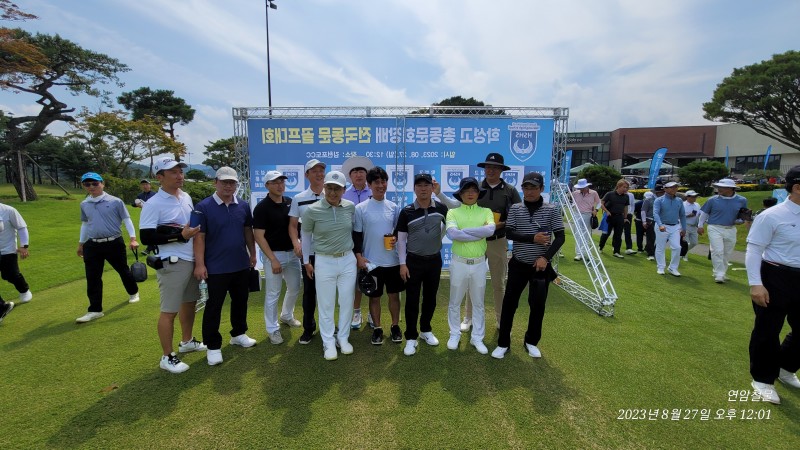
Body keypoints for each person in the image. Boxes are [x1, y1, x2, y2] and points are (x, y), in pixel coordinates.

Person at [436, 153, 520, 332]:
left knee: (498, 283)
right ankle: (468, 318)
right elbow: (455, 206)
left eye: (495, 167)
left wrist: (498, 225)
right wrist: (439, 194)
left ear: (501, 170)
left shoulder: (510, 190)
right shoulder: (475, 187)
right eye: (488, 167)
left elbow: (516, 215)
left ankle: (501, 319)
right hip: (473, 243)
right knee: (470, 281)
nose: (491, 170)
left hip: (497, 241)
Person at [140, 157, 206, 374]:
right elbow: (146, 237)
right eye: (173, 172)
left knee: (189, 302)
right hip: (172, 261)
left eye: (180, 171)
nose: (179, 176)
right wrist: (180, 235)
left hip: (190, 259)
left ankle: (186, 341)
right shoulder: (153, 203)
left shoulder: (186, 196)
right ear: (159, 177)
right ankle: (167, 356)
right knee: (169, 310)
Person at [492, 172, 565, 359]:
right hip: (518, 264)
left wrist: (545, 258)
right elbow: (509, 233)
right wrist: (533, 238)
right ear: (522, 189)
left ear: (541, 189)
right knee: (509, 303)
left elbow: (560, 237)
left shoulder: (551, 209)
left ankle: (531, 341)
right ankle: (503, 343)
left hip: (540, 267)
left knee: (537, 305)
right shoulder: (516, 208)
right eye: (526, 187)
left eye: (534, 188)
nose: (530, 191)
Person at [745, 165, 800, 405]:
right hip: (775, 276)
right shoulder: (772, 215)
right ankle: (763, 380)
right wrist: (755, 284)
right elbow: (754, 250)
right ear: (797, 187)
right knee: (768, 329)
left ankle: (786, 368)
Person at [193, 167, 258, 366]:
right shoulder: (203, 207)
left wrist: (253, 253)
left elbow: (248, 231)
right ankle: (213, 346)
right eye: (224, 182)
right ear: (216, 183)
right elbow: (199, 237)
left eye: (232, 183)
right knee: (214, 306)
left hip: (240, 264)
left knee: (240, 301)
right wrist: (200, 264)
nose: (229, 186)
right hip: (215, 267)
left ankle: (238, 333)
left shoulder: (243, 206)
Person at [301, 170, 357, 361]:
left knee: (347, 301)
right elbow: (305, 237)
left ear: (344, 190)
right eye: (330, 188)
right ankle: (328, 342)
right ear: (324, 188)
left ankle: (343, 338)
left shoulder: (350, 207)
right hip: (324, 260)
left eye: (337, 189)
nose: (333, 192)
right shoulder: (312, 210)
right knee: (326, 304)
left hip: (348, 259)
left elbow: (354, 231)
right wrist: (306, 261)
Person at [75, 172, 140, 323]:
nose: (91, 187)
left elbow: (126, 220)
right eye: (87, 184)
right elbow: (85, 224)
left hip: (114, 242)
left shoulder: (116, 201)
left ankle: (133, 292)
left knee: (123, 270)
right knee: (92, 277)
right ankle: (95, 310)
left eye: (95, 183)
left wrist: (133, 239)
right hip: (92, 244)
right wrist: (81, 243)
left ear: (102, 184)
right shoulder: (84, 204)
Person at [396, 173, 448, 356]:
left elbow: (454, 217)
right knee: (412, 299)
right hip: (413, 261)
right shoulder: (407, 211)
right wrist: (402, 264)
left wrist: (441, 194)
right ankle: (411, 336)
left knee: (430, 298)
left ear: (432, 188)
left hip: (434, 260)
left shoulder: (441, 208)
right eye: (419, 185)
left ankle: (426, 329)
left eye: (427, 185)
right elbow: (401, 240)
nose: (423, 188)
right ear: (414, 188)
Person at [353, 167, 404, 345]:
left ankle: (395, 326)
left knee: (394, 296)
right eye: (376, 182)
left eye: (383, 182)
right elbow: (357, 236)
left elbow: (398, 233)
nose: (381, 185)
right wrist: (359, 257)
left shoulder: (394, 208)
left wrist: (395, 238)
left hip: (393, 261)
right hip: (371, 262)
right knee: (374, 297)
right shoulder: (360, 209)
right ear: (369, 185)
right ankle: (377, 328)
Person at [445, 177, 495, 354]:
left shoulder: (486, 211)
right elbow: (453, 234)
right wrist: (478, 233)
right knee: (454, 301)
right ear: (460, 194)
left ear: (478, 193)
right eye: (466, 190)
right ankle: (454, 334)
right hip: (459, 262)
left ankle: (477, 338)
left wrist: (464, 232)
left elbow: (490, 230)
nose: (470, 193)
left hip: (479, 264)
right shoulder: (453, 212)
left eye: (474, 190)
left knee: (478, 302)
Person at [253, 170, 302, 346]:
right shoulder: (262, 208)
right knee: (273, 293)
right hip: (274, 255)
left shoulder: (290, 202)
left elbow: (296, 227)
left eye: (282, 182)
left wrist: (298, 244)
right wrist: (272, 259)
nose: (280, 185)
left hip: (292, 254)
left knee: (295, 287)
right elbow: (259, 236)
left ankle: (286, 315)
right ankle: (272, 329)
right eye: (275, 182)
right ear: (267, 185)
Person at [289, 159, 326, 345]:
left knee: (329, 293)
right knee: (310, 292)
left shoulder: (332, 194)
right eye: (314, 171)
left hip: (329, 252)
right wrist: (296, 242)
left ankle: (329, 328)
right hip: (309, 253)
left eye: (321, 170)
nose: (319, 174)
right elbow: (292, 225)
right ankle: (308, 328)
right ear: (306, 175)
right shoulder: (299, 198)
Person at [341, 156, 374, 330]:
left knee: (373, 277)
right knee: (355, 280)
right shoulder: (344, 194)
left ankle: (372, 312)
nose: (359, 175)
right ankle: (356, 311)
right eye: (355, 172)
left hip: (372, 241)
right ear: (350, 176)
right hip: (351, 242)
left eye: (361, 171)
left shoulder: (374, 192)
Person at [698, 178, 750, 283]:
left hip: (731, 228)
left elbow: (743, 214)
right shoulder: (712, 200)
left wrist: (741, 220)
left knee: (727, 252)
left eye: (722, 187)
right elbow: (704, 213)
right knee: (717, 250)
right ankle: (719, 274)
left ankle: (721, 272)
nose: (719, 189)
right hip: (714, 227)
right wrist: (700, 225)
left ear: (731, 188)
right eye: (718, 187)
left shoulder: (742, 200)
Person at [0, 202, 32, 305]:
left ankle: (24, 290)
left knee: (11, 275)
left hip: (8, 250)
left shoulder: (9, 210)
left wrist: (24, 246)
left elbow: (21, 227)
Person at [653, 181, 686, 277]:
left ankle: (673, 268)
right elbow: (656, 213)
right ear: (665, 189)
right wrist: (660, 225)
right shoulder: (659, 200)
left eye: (676, 187)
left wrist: (684, 228)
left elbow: (682, 215)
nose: (674, 189)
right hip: (662, 225)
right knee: (660, 247)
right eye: (672, 187)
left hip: (675, 226)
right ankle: (660, 267)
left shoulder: (679, 200)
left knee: (677, 247)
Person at [600, 179, 631, 258]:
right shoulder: (610, 194)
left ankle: (616, 251)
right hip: (610, 216)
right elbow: (601, 203)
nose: (626, 189)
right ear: (618, 186)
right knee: (606, 233)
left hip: (620, 217)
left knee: (618, 235)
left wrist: (625, 217)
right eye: (624, 187)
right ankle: (600, 247)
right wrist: (606, 211)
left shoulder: (626, 196)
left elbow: (625, 207)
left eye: (627, 187)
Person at [571, 178, 600, 261]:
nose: (581, 189)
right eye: (580, 188)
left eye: (582, 187)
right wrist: (573, 205)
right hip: (577, 214)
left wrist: (596, 210)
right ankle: (579, 254)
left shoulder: (594, 193)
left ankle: (585, 253)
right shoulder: (575, 193)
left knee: (586, 234)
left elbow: (599, 203)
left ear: (586, 186)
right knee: (578, 234)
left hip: (588, 214)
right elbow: (573, 202)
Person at [682, 190, 701, 261]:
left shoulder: (697, 205)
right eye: (693, 196)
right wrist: (688, 215)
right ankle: (684, 256)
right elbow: (678, 216)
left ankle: (682, 251)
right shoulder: (683, 205)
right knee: (686, 242)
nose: (695, 198)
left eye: (695, 196)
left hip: (694, 226)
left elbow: (700, 214)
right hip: (685, 225)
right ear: (688, 197)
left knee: (694, 243)